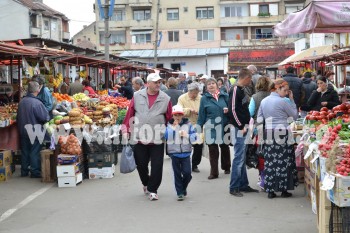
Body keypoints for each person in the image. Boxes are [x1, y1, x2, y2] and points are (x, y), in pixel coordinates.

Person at [122, 73, 172, 201]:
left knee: (157, 165)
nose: (158, 84)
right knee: (141, 165)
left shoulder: (165, 98)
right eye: (155, 82)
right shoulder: (137, 96)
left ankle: (153, 190)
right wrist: (126, 129)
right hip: (139, 136)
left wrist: (171, 130)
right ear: (148, 83)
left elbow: (169, 117)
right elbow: (130, 113)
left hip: (157, 137)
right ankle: (146, 182)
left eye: (159, 82)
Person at [257, 79, 299, 199]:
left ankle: (270, 190)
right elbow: (294, 116)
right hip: (283, 132)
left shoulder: (264, 101)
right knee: (285, 161)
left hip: (269, 133)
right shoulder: (283, 102)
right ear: (277, 88)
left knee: (270, 162)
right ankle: (284, 189)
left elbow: (259, 118)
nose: (286, 93)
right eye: (285, 90)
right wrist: (291, 100)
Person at [228, 68, 259, 197]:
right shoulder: (235, 89)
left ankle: (243, 184)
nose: (251, 81)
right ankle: (234, 186)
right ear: (245, 77)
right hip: (240, 128)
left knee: (242, 156)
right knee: (239, 157)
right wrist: (240, 126)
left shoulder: (240, 89)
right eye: (250, 78)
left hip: (244, 127)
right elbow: (233, 110)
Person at [197, 78, 231, 180]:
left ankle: (226, 167)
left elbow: (231, 110)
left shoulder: (225, 96)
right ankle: (214, 172)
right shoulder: (204, 99)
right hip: (210, 127)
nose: (211, 85)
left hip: (224, 125)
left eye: (213, 83)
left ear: (217, 85)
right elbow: (201, 115)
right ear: (206, 87)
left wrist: (228, 112)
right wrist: (198, 129)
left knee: (224, 147)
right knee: (213, 149)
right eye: (208, 84)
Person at [17, 81, 50, 178]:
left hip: (23, 130)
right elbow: (44, 118)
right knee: (34, 151)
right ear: (37, 90)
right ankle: (35, 172)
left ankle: (24, 171)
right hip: (35, 130)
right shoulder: (37, 103)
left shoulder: (22, 102)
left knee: (25, 151)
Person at [164, 105, 196, 201]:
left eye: (179, 115)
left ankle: (183, 187)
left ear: (182, 115)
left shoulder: (188, 124)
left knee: (187, 174)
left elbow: (194, 137)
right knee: (177, 173)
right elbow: (166, 137)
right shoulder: (169, 125)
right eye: (175, 115)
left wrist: (187, 135)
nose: (177, 117)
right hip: (174, 153)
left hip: (186, 152)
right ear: (172, 116)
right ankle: (180, 193)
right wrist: (173, 129)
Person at [177, 83, 202, 173]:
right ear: (189, 91)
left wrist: (199, 112)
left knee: (198, 145)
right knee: (186, 145)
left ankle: (195, 164)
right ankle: (184, 163)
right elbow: (179, 110)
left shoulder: (200, 98)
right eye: (193, 93)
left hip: (198, 124)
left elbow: (203, 110)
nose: (195, 95)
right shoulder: (182, 98)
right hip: (185, 125)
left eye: (196, 93)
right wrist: (189, 110)